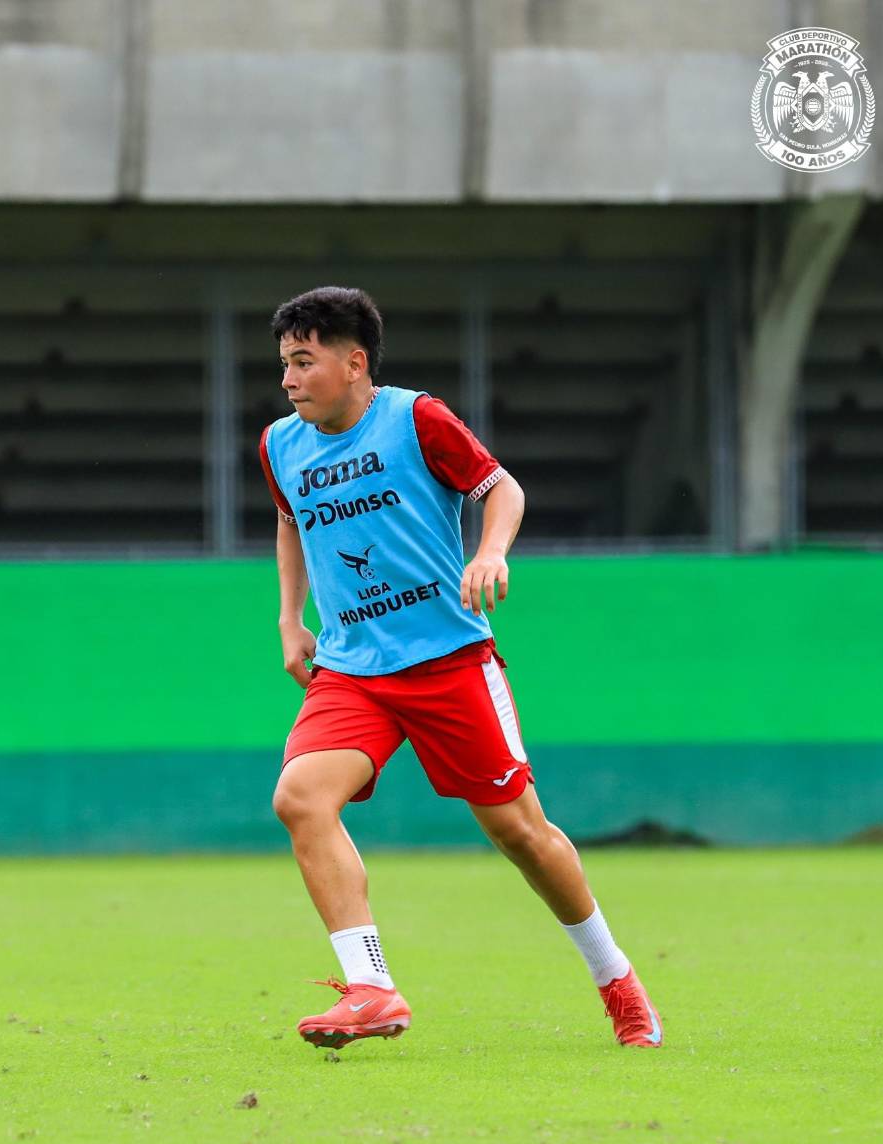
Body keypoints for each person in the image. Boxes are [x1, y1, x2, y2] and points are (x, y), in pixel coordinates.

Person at [258, 285, 662, 1051]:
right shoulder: (283, 445)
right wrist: (289, 618)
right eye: (284, 364)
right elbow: (289, 521)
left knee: (520, 834)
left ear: (354, 362)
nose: (288, 380)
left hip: (449, 661)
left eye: (303, 362)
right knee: (301, 799)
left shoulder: (417, 419)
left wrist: (489, 551)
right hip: (353, 671)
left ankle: (617, 980)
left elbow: (499, 488)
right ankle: (372, 987)